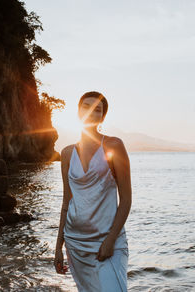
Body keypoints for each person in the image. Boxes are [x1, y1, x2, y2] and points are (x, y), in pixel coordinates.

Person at [54, 91, 132, 291]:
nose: (90, 112)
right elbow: (66, 202)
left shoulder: (114, 146)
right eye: (85, 107)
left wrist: (111, 240)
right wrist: (58, 248)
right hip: (76, 242)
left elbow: (126, 200)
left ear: (102, 117)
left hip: (107, 241)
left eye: (97, 109)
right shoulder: (67, 153)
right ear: (79, 113)